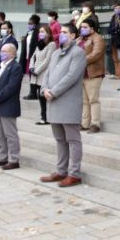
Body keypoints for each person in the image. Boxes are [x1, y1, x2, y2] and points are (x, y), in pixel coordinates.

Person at [40, 24, 88, 187]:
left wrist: (54, 91)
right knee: (60, 139)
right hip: (53, 101)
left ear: (74, 36)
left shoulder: (78, 53)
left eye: (65, 32)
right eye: (60, 32)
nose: (61, 35)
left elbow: (72, 76)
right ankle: (61, 171)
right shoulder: (55, 54)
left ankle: (74, 173)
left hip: (68, 102)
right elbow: (46, 74)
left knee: (73, 139)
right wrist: (45, 88)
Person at [0, 43, 23, 171]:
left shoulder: (15, 67)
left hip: (7, 106)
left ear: (12, 53)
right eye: (1, 51)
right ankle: (2, 157)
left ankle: (13, 159)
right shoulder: (0, 66)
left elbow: (10, 88)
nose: (2, 53)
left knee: (10, 134)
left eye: (5, 51)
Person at [78, 18, 106, 133]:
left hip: (93, 73)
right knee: (84, 101)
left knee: (93, 100)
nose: (82, 29)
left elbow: (96, 54)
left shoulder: (98, 38)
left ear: (92, 28)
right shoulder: (80, 38)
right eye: (82, 27)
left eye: (85, 27)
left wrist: (80, 60)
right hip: (81, 74)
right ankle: (85, 123)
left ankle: (95, 124)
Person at [31, 24, 57, 125]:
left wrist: (37, 70)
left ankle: (46, 117)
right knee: (40, 96)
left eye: (43, 31)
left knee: (44, 96)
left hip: (44, 74)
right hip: (36, 74)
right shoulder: (40, 44)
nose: (40, 33)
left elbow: (47, 60)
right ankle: (43, 117)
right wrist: (31, 68)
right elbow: (34, 56)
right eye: (40, 32)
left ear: (48, 33)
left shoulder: (52, 44)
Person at [21, 14, 41, 100]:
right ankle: (32, 92)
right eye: (28, 23)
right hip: (28, 56)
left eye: (31, 23)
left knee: (33, 75)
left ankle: (33, 93)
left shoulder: (37, 32)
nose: (29, 25)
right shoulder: (29, 33)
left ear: (35, 24)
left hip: (34, 57)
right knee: (30, 75)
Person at [105, 4, 120, 81]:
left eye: (118, 8)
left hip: (119, 41)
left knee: (119, 59)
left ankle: (119, 74)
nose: (116, 9)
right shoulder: (113, 17)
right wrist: (114, 30)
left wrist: (115, 30)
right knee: (115, 58)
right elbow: (110, 29)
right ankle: (116, 74)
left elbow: (119, 29)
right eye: (115, 8)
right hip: (113, 40)